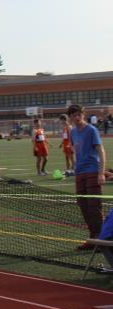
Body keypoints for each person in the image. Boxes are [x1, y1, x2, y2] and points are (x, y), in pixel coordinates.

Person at [67, 105, 107, 250]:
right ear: (70, 117)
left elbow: (101, 151)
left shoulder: (91, 130)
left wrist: (101, 173)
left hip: (92, 171)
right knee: (83, 206)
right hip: (80, 173)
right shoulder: (72, 132)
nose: (77, 117)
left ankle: (102, 241)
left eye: (79, 114)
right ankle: (93, 238)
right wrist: (75, 167)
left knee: (94, 207)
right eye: (74, 115)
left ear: (83, 115)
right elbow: (75, 150)